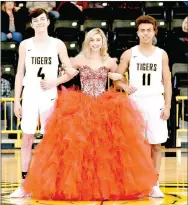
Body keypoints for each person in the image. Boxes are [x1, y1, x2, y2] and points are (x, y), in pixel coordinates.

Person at [20, 28, 157, 200]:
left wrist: (123, 83)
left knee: (106, 150)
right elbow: (67, 72)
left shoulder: (109, 61)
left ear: (102, 43)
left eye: (98, 40)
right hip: (81, 106)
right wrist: (58, 78)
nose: (95, 43)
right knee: (78, 150)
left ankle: (106, 187)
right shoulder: (79, 59)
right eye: (92, 40)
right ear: (88, 42)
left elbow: (118, 79)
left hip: (104, 106)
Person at [9, 8, 79, 198]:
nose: (39, 23)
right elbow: (19, 73)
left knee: (51, 141)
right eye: (35, 20)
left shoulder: (57, 44)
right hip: (30, 94)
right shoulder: (25, 44)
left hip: (49, 95)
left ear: (48, 22)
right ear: (32, 24)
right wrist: (17, 101)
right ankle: (24, 184)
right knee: (27, 138)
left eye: (42, 19)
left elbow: (70, 71)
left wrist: (54, 82)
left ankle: (51, 183)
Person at [115, 15, 172, 198]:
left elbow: (168, 82)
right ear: (137, 32)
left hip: (155, 100)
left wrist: (168, 105)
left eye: (149, 30)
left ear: (154, 32)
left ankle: (154, 184)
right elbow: (117, 78)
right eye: (142, 30)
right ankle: (137, 183)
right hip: (136, 102)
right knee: (137, 146)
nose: (146, 33)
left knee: (156, 144)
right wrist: (124, 85)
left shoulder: (161, 54)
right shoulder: (129, 53)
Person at [1, 70, 17, 136]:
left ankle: (12, 130)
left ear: (1, 73)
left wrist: (2, 99)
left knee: (10, 104)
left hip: (2, 102)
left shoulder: (6, 82)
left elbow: (8, 96)